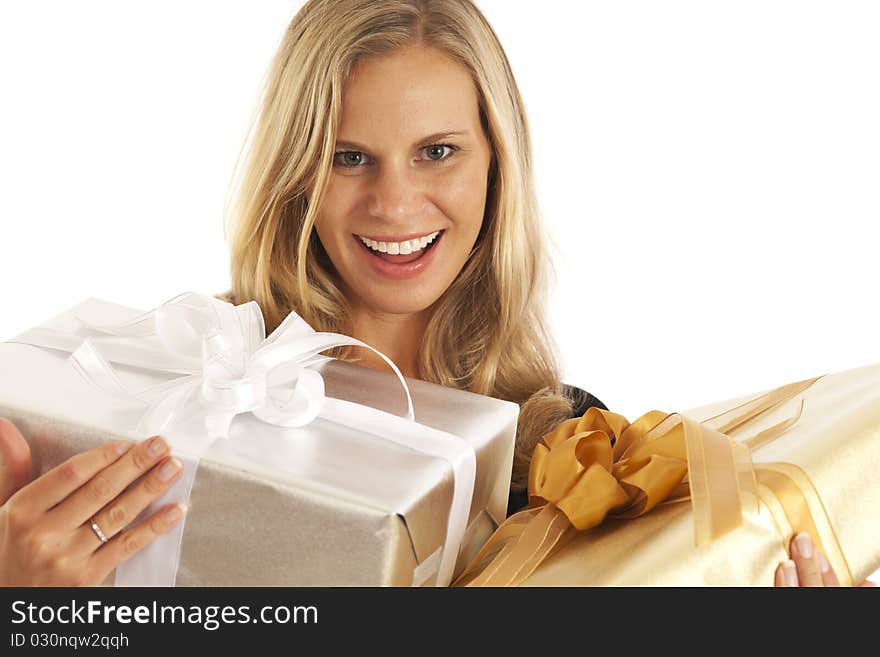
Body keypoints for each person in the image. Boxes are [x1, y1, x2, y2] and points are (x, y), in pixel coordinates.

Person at [0, 0, 870, 587]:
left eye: (438, 151)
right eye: (349, 157)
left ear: (498, 162)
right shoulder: (178, 393)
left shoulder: (570, 453)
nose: (394, 204)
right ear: (296, 172)